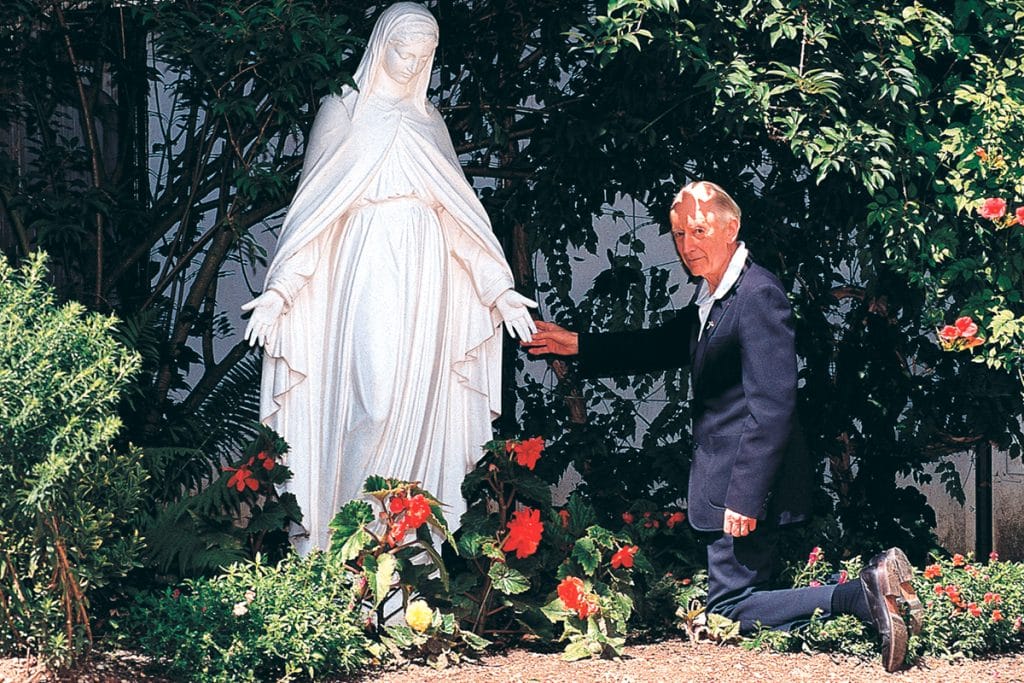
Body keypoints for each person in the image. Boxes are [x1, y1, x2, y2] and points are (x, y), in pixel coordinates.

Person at [522, 181, 923, 671]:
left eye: (698, 230)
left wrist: (745, 496)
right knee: (741, 604)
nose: (687, 245)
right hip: (729, 478)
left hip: (741, 483)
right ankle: (865, 597)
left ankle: (860, 596)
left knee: (730, 609)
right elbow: (663, 344)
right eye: (677, 234)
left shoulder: (757, 295)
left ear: (731, 228)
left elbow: (773, 404)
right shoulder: (717, 296)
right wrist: (579, 344)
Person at [242, 2, 537, 556]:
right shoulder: (344, 113)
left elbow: (459, 219)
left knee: (421, 411)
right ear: (381, 45)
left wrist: (498, 289)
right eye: (403, 50)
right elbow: (314, 217)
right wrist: (279, 293)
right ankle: (345, 548)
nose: (411, 63)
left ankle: (406, 566)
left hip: (429, 285)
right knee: (373, 402)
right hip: (367, 268)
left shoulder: (430, 123)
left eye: (423, 56)